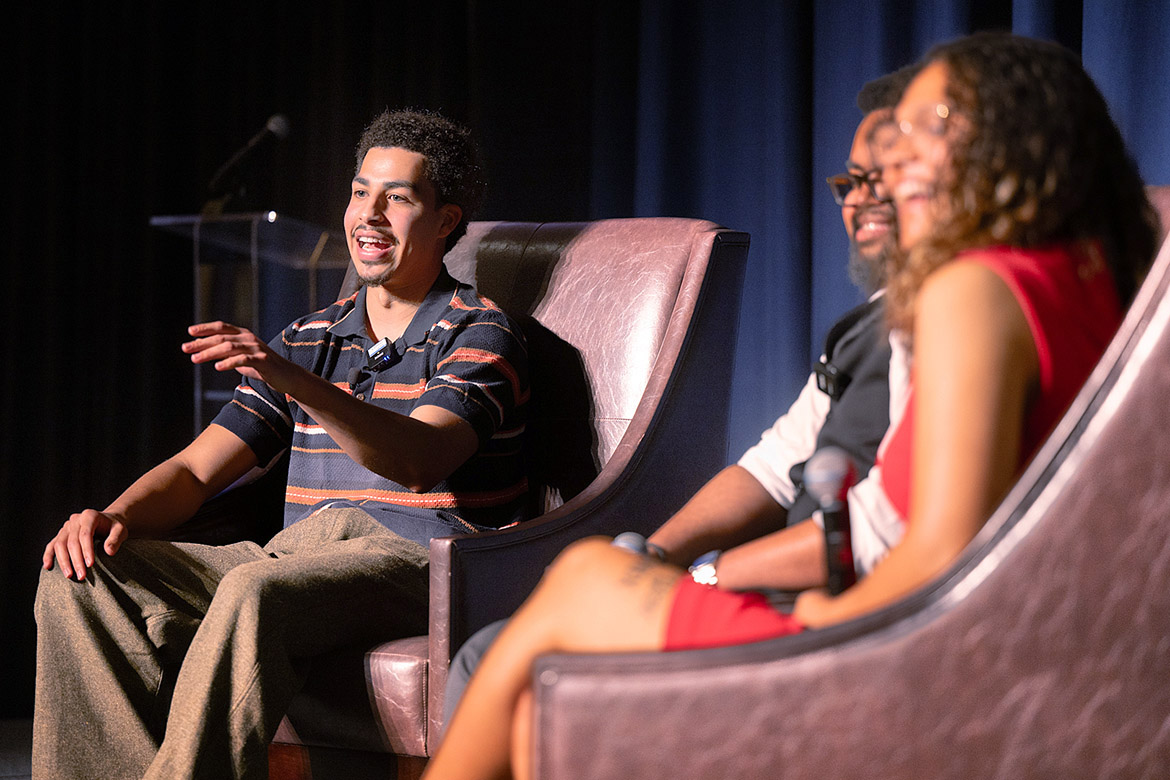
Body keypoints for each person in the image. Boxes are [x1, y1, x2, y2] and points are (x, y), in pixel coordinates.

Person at [423, 32, 1158, 780]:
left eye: (934, 125)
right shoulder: (1093, 287)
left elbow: (942, 558)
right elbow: (782, 469)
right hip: (973, 639)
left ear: (1016, 136)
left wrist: (806, 625)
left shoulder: (971, 288)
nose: (896, 159)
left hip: (893, 648)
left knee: (580, 582)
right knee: (575, 612)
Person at [33, 109, 529, 780]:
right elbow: (194, 471)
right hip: (301, 551)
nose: (369, 214)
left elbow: (419, 459)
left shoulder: (478, 331)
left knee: (256, 590)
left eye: (399, 198)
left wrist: (292, 378)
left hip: (425, 561)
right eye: (360, 192)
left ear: (446, 220)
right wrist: (111, 518)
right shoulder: (309, 336)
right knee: (81, 576)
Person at [440, 66, 914, 722]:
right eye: (849, 183)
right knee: (513, 637)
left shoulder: (955, 320)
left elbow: (887, 531)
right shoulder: (871, 323)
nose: (856, 202)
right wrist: (659, 554)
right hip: (779, 592)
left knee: (509, 652)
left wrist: (708, 579)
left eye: (878, 181)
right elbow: (772, 470)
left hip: (835, 618)